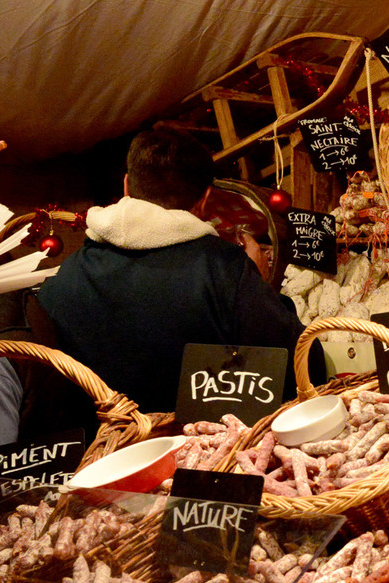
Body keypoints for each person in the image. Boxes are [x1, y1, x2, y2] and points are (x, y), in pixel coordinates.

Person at [36, 126, 320, 425]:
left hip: (99, 463)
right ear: (204, 199)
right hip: (199, 460)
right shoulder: (223, 270)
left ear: (127, 186)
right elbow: (305, 367)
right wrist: (261, 287)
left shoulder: (64, 278)